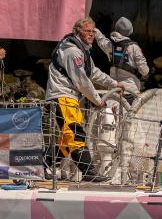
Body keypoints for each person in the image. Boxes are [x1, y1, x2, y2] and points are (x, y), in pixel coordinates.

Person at [45, 17, 124, 182]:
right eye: (87, 31)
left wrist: (114, 83)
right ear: (77, 32)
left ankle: (44, 162)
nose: (91, 34)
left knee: (67, 138)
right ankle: (88, 172)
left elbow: (93, 72)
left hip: (68, 97)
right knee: (76, 134)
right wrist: (97, 100)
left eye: (93, 31)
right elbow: (82, 81)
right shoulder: (73, 52)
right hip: (62, 96)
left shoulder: (82, 51)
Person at [93, 17, 149, 93]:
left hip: (113, 90)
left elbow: (101, 39)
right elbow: (144, 71)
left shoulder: (110, 46)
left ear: (116, 29)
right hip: (130, 91)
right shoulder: (134, 48)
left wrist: (94, 30)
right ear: (130, 31)